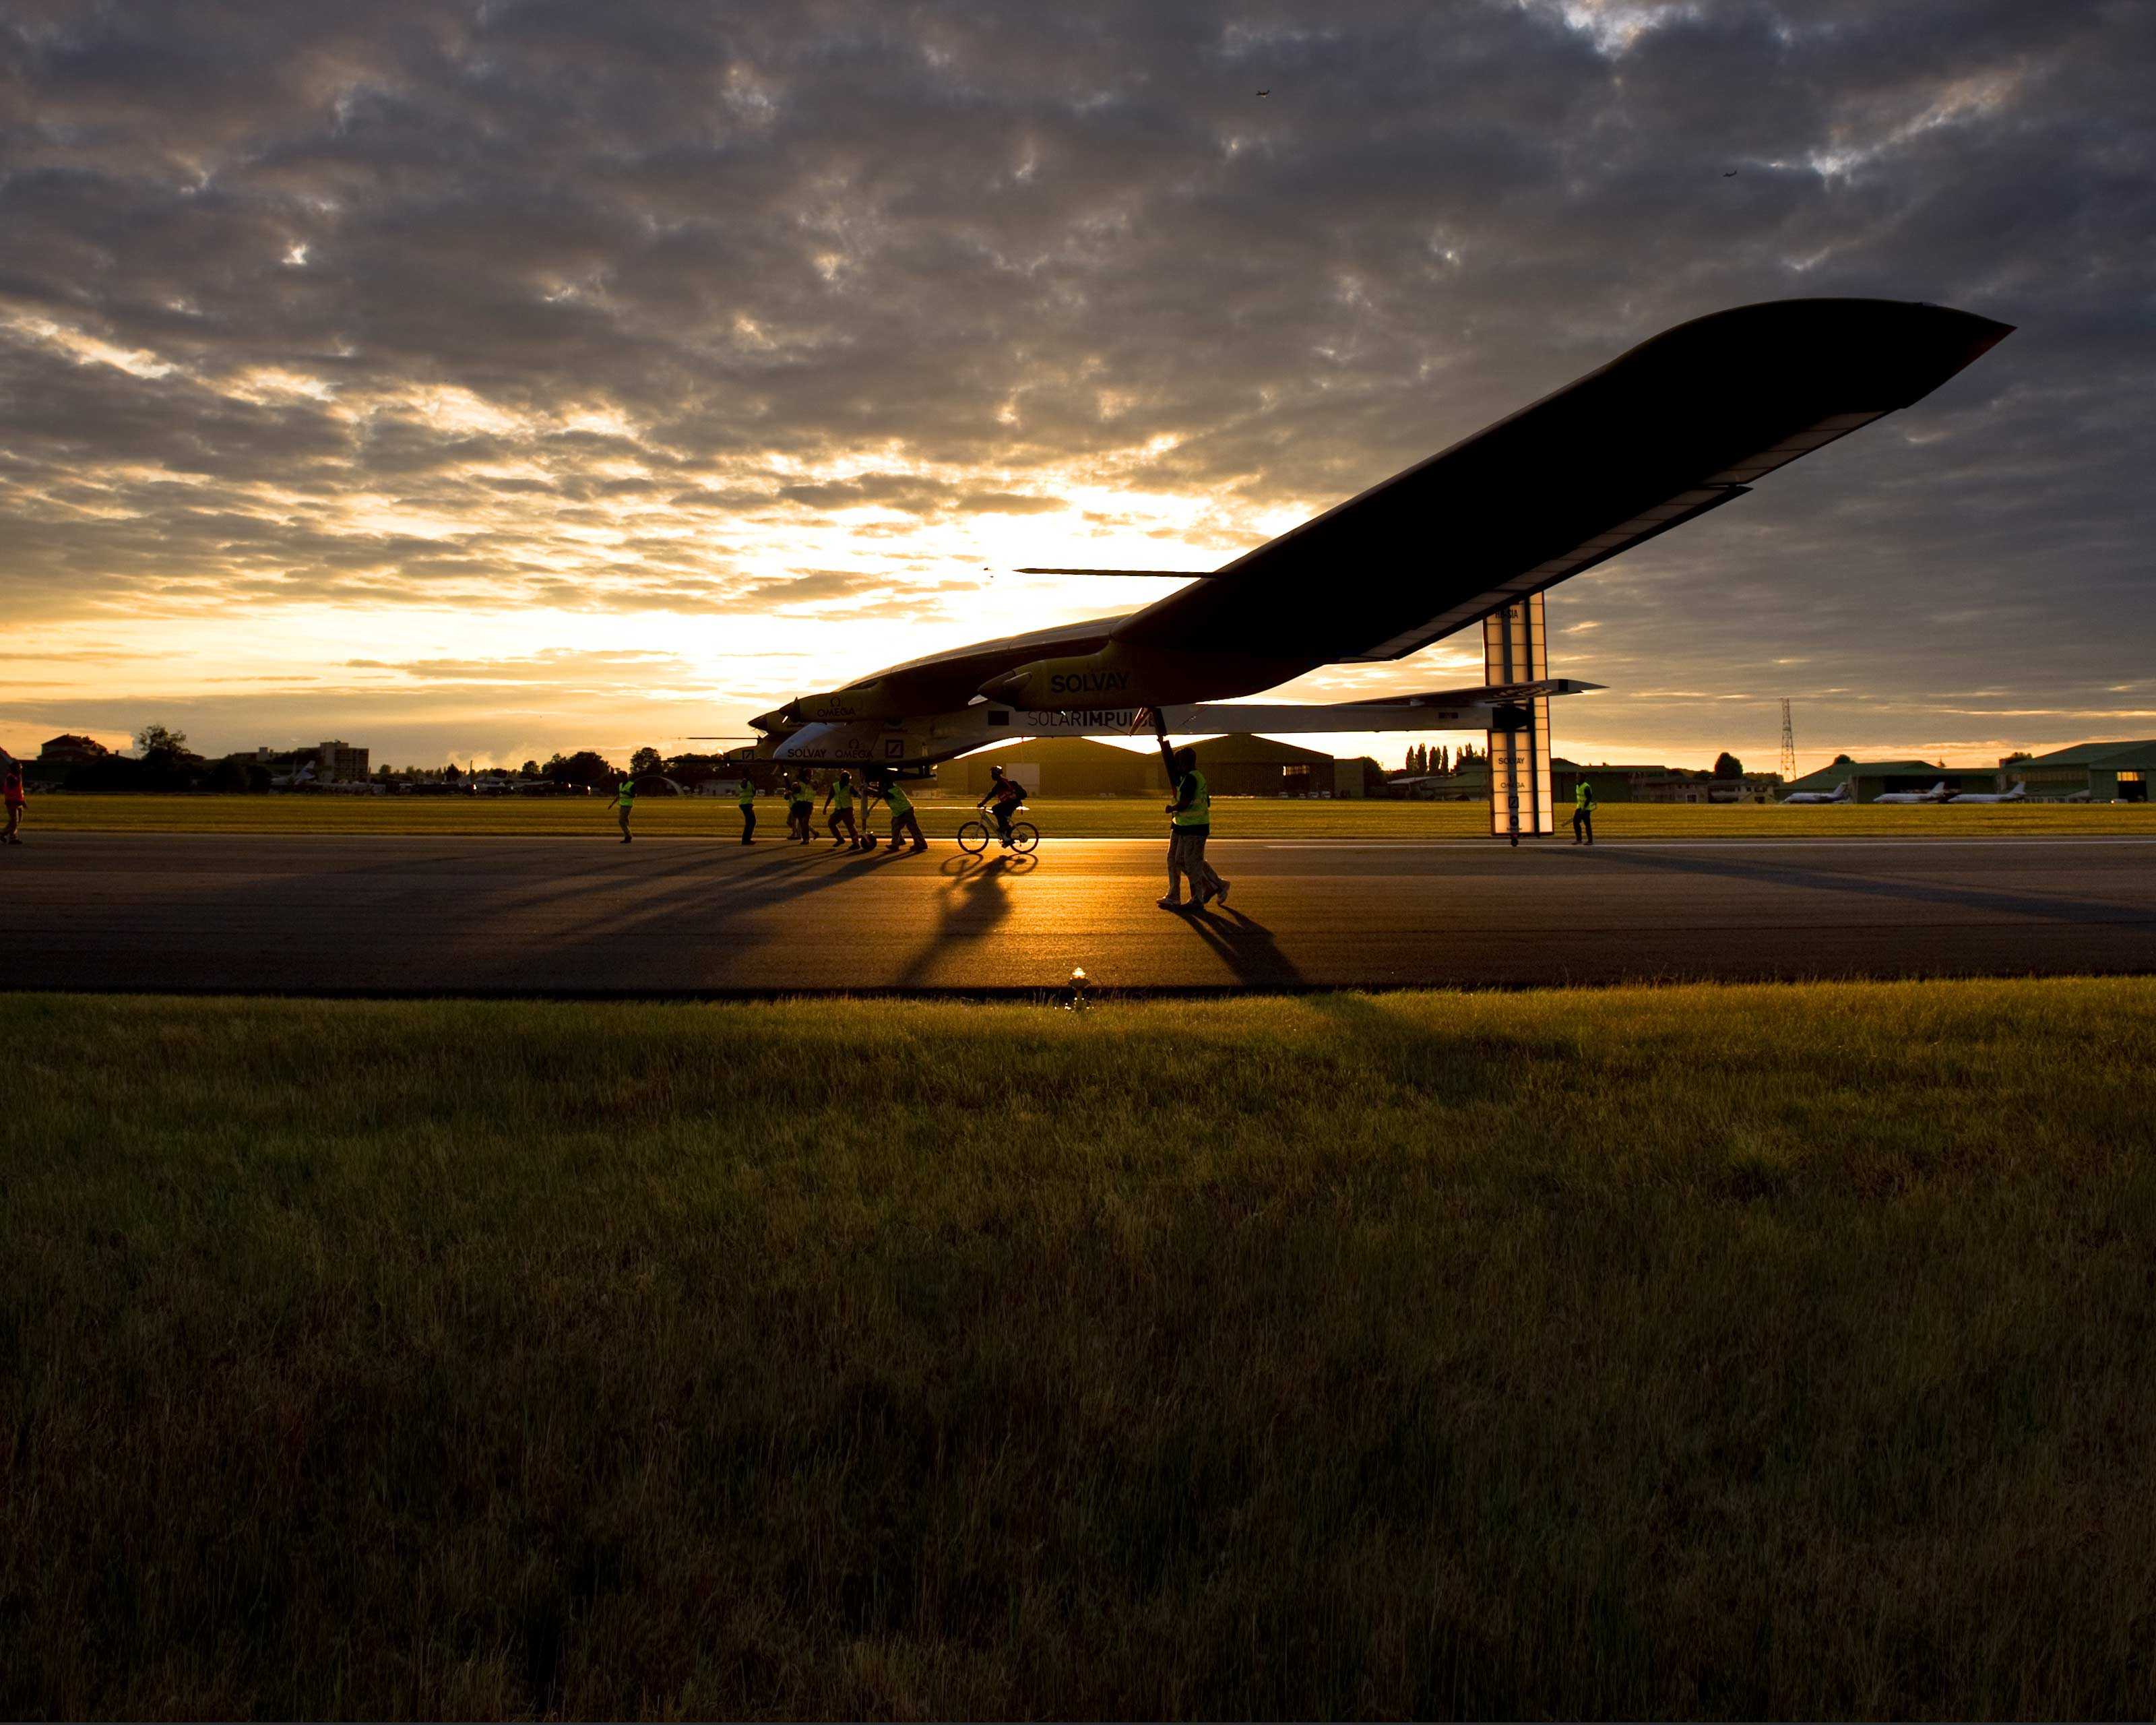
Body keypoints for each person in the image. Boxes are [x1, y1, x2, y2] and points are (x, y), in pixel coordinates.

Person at [1155, 737, 1227, 911]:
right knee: (1180, 860)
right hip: (1183, 825)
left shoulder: (1191, 779)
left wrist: (1171, 808)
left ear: (1185, 763)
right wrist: (1163, 744)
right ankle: (1212, 886)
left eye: (1179, 763)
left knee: (1190, 862)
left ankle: (1199, 896)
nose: (1177, 766)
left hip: (1194, 827)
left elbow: (1185, 803)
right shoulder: (1192, 776)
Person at [977, 765, 1026, 848]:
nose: (991, 776)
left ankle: (1005, 828)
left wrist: (982, 803)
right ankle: (1007, 839)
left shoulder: (1002, 783)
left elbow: (991, 794)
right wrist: (983, 802)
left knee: (996, 809)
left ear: (996, 774)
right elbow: (992, 794)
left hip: (1012, 803)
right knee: (1001, 815)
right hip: (1012, 803)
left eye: (992, 774)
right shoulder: (1002, 782)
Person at [881, 771, 926, 853]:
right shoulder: (892, 788)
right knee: (895, 826)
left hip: (906, 810)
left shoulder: (892, 791)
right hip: (900, 811)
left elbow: (884, 795)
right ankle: (897, 842)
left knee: (912, 828)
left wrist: (868, 790)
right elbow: (882, 793)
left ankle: (921, 844)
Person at [823, 770, 859, 848]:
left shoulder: (850, 787)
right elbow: (830, 797)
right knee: (831, 823)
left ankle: (856, 843)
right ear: (843, 779)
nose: (848, 782)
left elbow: (856, 794)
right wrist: (825, 807)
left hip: (848, 810)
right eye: (847, 780)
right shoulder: (835, 786)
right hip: (838, 810)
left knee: (850, 826)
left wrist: (859, 795)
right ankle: (840, 839)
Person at [607, 771, 637, 843]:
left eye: (623, 776)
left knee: (621, 821)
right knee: (625, 821)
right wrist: (612, 804)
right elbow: (619, 796)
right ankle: (627, 837)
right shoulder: (620, 785)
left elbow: (634, 795)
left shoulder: (631, 784)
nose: (622, 778)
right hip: (622, 805)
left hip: (628, 805)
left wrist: (627, 793)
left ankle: (629, 835)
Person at [786, 774, 814, 842]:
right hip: (792, 809)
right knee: (790, 822)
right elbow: (786, 798)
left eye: (795, 786)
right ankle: (813, 832)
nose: (794, 788)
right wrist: (788, 794)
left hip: (798, 808)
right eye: (793, 787)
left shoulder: (799, 793)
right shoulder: (792, 793)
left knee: (801, 823)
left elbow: (797, 800)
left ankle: (797, 834)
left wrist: (792, 794)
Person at [2, 760, 24, 846]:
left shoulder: (17, 776)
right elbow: (13, 789)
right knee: (14, 821)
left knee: (17, 820)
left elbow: (19, 791)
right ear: (15, 768)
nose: (21, 768)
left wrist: (23, 801)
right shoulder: (11, 777)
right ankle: (12, 838)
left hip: (18, 801)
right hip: (12, 802)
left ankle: (3, 833)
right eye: (19, 767)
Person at [1573, 777, 1597, 846]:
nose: (1576, 779)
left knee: (1587, 824)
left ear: (1582, 779)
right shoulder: (1577, 786)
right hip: (1579, 807)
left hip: (1586, 809)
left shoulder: (1586, 787)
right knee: (1575, 822)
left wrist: (1584, 808)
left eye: (1578, 778)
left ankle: (1590, 841)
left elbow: (1589, 798)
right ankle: (1579, 839)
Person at [736, 772, 757, 844]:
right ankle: (746, 839)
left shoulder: (745, 782)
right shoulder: (747, 782)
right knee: (751, 822)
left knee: (751, 822)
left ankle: (746, 839)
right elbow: (753, 792)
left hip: (745, 804)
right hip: (746, 804)